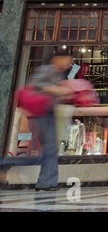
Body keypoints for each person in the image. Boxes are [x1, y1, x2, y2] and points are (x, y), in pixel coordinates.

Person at [27, 50, 74, 191]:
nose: (69, 64)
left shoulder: (57, 74)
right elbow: (35, 85)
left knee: (50, 148)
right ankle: (46, 182)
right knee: (50, 148)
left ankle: (46, 182)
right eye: (68, 60)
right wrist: (56, 90)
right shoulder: (47, 70)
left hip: (48, 113)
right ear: (59, 59)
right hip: (43, 113)